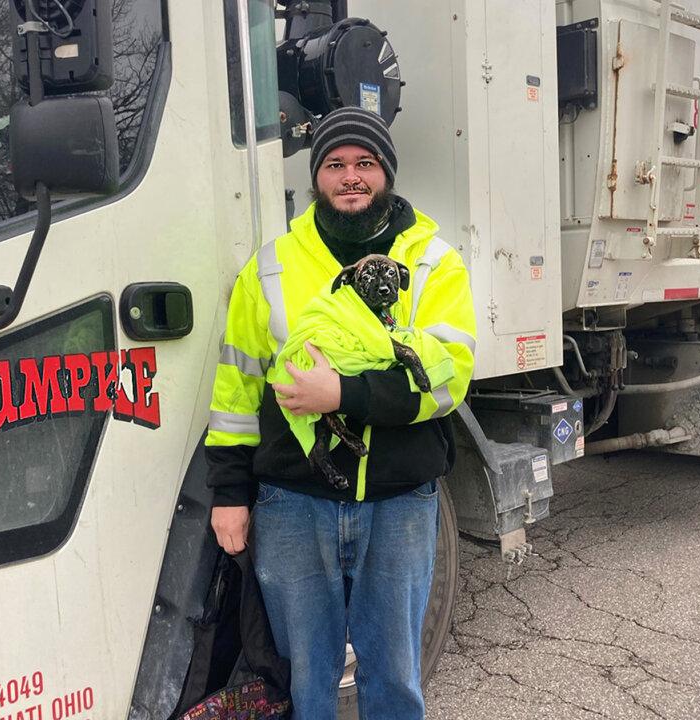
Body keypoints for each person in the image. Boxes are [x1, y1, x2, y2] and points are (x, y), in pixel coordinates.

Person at [205, 106, 477, 720]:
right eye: (335, 164)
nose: (350, 176)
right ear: (316, 176)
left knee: (395, 680)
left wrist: (344, 397)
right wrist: (228, 492)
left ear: (387, 173)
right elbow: (237, 390)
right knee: (304, 684)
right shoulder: (270, 266)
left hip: (399, 501)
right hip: (291, 504)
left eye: (365, 163)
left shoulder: (433, 262)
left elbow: (448, 376)